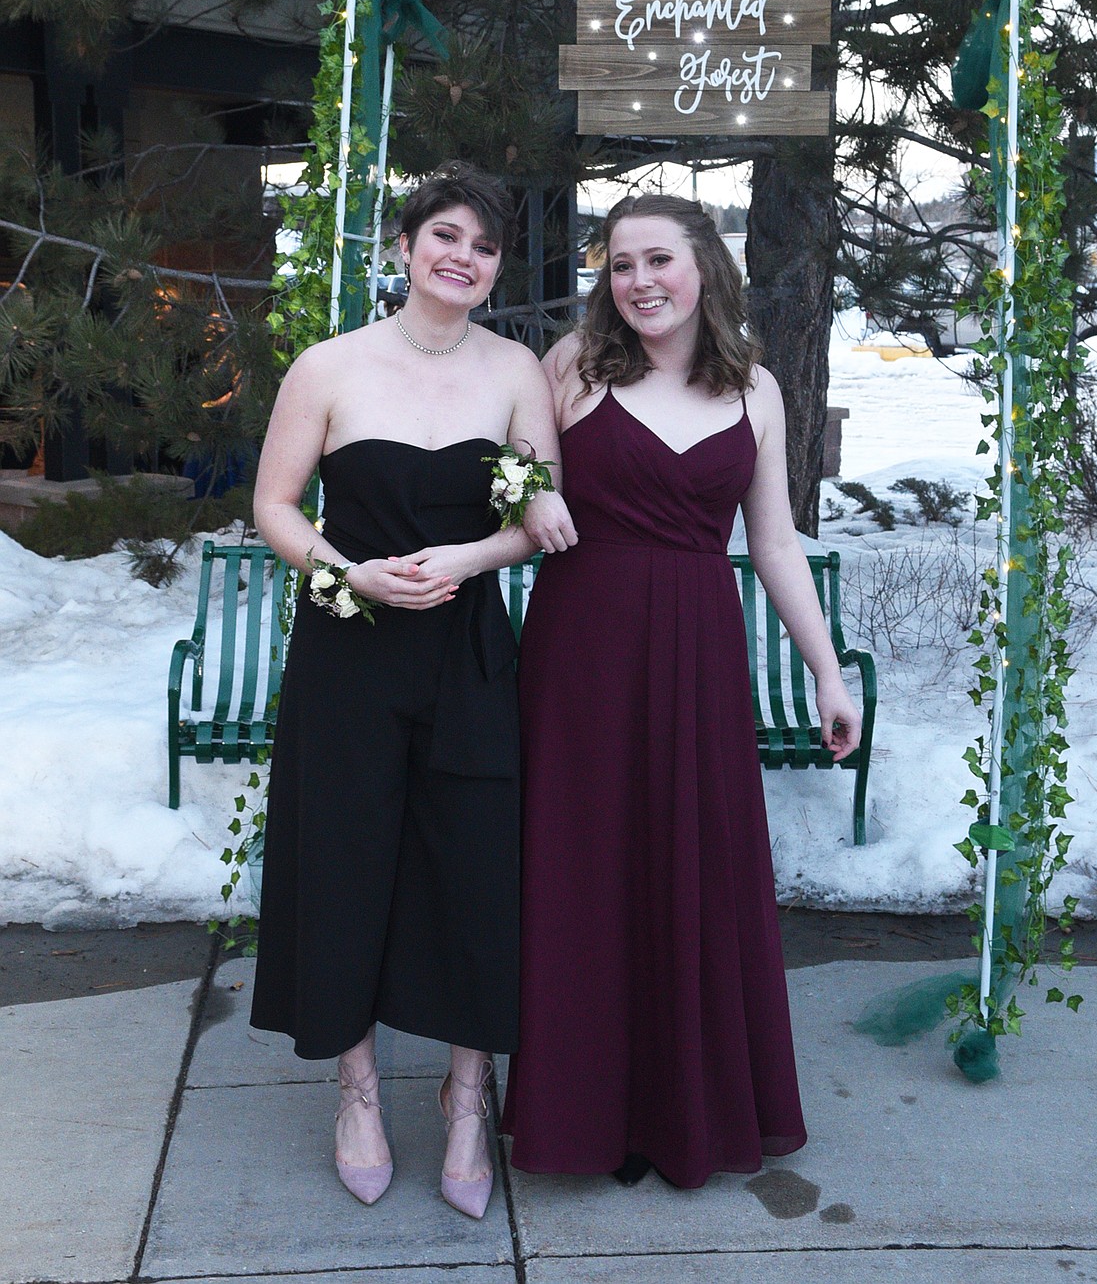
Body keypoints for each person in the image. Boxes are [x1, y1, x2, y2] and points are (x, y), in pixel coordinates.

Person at [501, 193, 863, 1189]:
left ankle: (686, 1115)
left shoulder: (757, 390)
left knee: (690, 871)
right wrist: (532, 489)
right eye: (621, 265)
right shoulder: (571, 367)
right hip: (580, 653)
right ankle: (583, 1118)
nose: (640, 282)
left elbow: (776, 544)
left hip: (700, 657)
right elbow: (510, 477)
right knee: (585, 877)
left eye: (659, 259)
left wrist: (828, 673)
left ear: (706, 266)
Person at [250, 161, 575, 1216]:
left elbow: (542, 518)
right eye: (445, 236)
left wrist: (466, 562)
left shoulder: (517, 371)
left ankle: (468, 1095)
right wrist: (345, 571)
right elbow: (277, 506)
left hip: (469, 652)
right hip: (349, 651)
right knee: (345, 863)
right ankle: (355, 1091)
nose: (463, 259)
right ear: (403, 248)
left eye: (483, 247)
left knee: (476, 869)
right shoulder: (329, 366)